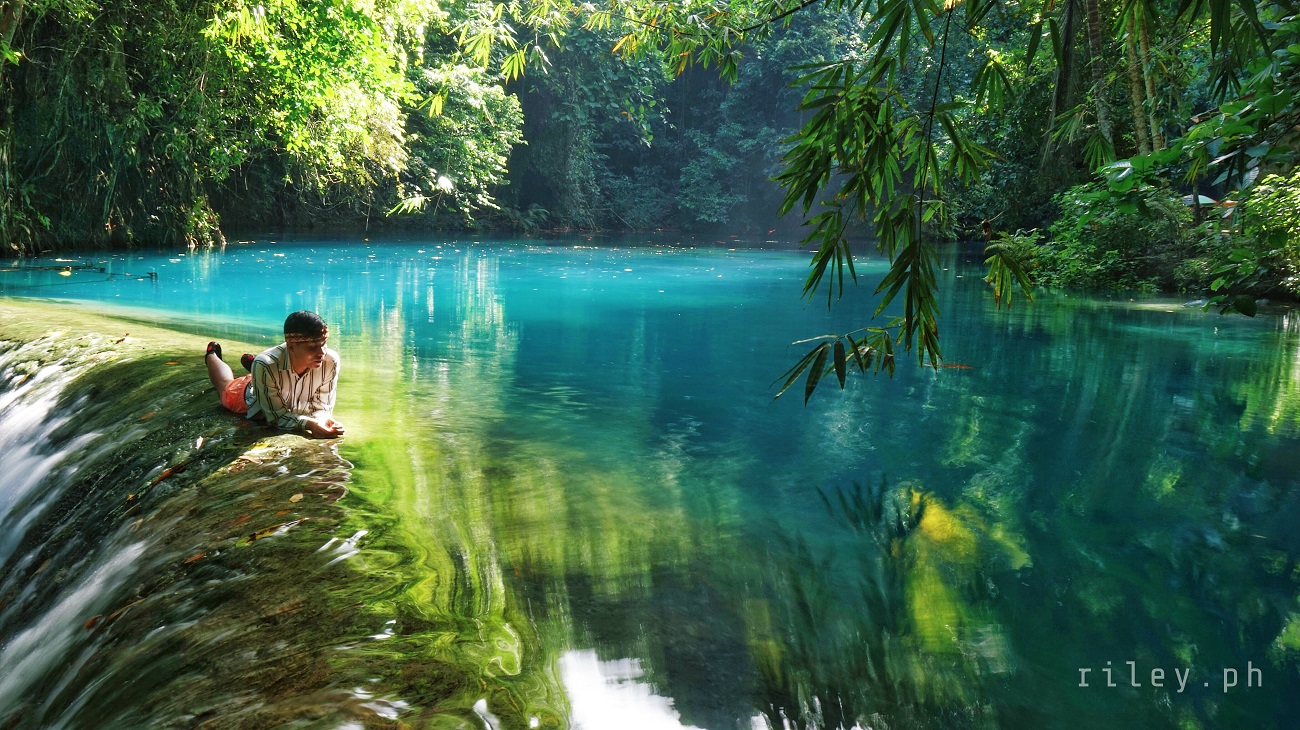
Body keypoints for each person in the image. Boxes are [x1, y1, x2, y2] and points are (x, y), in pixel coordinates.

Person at [205, 310, 345, 439]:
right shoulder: (266, 364)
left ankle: (256, 370)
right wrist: (309, 424)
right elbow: (274, 417)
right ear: (291, 347)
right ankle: (212, 355)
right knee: (225, 386)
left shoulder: (330, 361)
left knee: (265, 368)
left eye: (323, 343)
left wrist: (322, 420)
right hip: (250, 395)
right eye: (312, 347)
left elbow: (322, 407)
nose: (322, 352)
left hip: (270, 374)